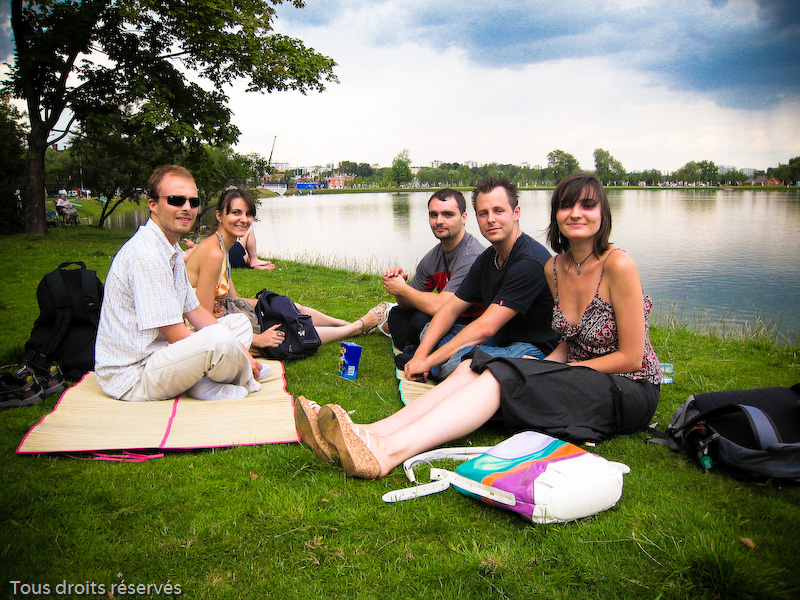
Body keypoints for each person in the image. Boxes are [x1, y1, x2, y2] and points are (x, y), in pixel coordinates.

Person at [295, 172, 661, 479]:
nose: (576, 213)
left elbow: (631, 357)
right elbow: (568, 341)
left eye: (587, 205)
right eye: (566, 206)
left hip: (628, 389)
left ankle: (386, 453)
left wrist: (553, 371)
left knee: (498, 373)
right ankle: (365, 432)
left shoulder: (618, 264)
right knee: (473, 364)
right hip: (574, 373)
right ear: (556, 215)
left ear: (603, 213)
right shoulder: (556, 268)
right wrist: (548, 366)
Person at [95, 165, 266, 402]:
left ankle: (202, 382)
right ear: (153, 204)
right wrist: (239, 353)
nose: (187, 208)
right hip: (135, 374)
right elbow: (174, 332)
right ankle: (234, 375)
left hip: (161, 354)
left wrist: (236, 346)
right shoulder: (147, 255)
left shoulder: (171, 249)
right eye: (176, 200)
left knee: (238, 325)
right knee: (218, 340)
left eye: (193, 202)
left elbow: (194, 310)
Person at [184, 188, 388, 350]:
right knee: (288, 331)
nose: (244, 219)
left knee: (288, 307)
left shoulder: (222, 247)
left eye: (248, 214)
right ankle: (356, 327)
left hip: (228, 311)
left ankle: (343, 323)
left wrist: (274, 306)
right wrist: (256, 339)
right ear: (219, 215)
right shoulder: (213, 253)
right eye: (236, 212)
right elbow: (203, 317)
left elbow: (233, 298)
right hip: (211, 328)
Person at [403, 175, 559, 382]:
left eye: (498, 211)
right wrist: (421, 355)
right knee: (428, 332)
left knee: (461, 362)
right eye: (483, 213)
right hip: (498, 339)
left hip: (532, 347)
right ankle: (443, 368)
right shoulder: (487, 258)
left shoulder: (529, 261)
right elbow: (450, 309)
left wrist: (428, 361)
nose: (490, 219)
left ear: (516, 213)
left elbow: (486, 328)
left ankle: (440, 369)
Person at [379, 188, 485, 350]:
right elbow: (407, 304)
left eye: (448, 215)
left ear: (464, 217)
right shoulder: (431, 259)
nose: (439, 221)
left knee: (419, 322)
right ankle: (417, 349)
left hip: (474, 322)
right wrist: (399, 287)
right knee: (398, 314)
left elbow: (442, 306)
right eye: (433, 215)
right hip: (447, 318)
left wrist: (403, 290)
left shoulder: (472, 255)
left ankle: (418, 350)